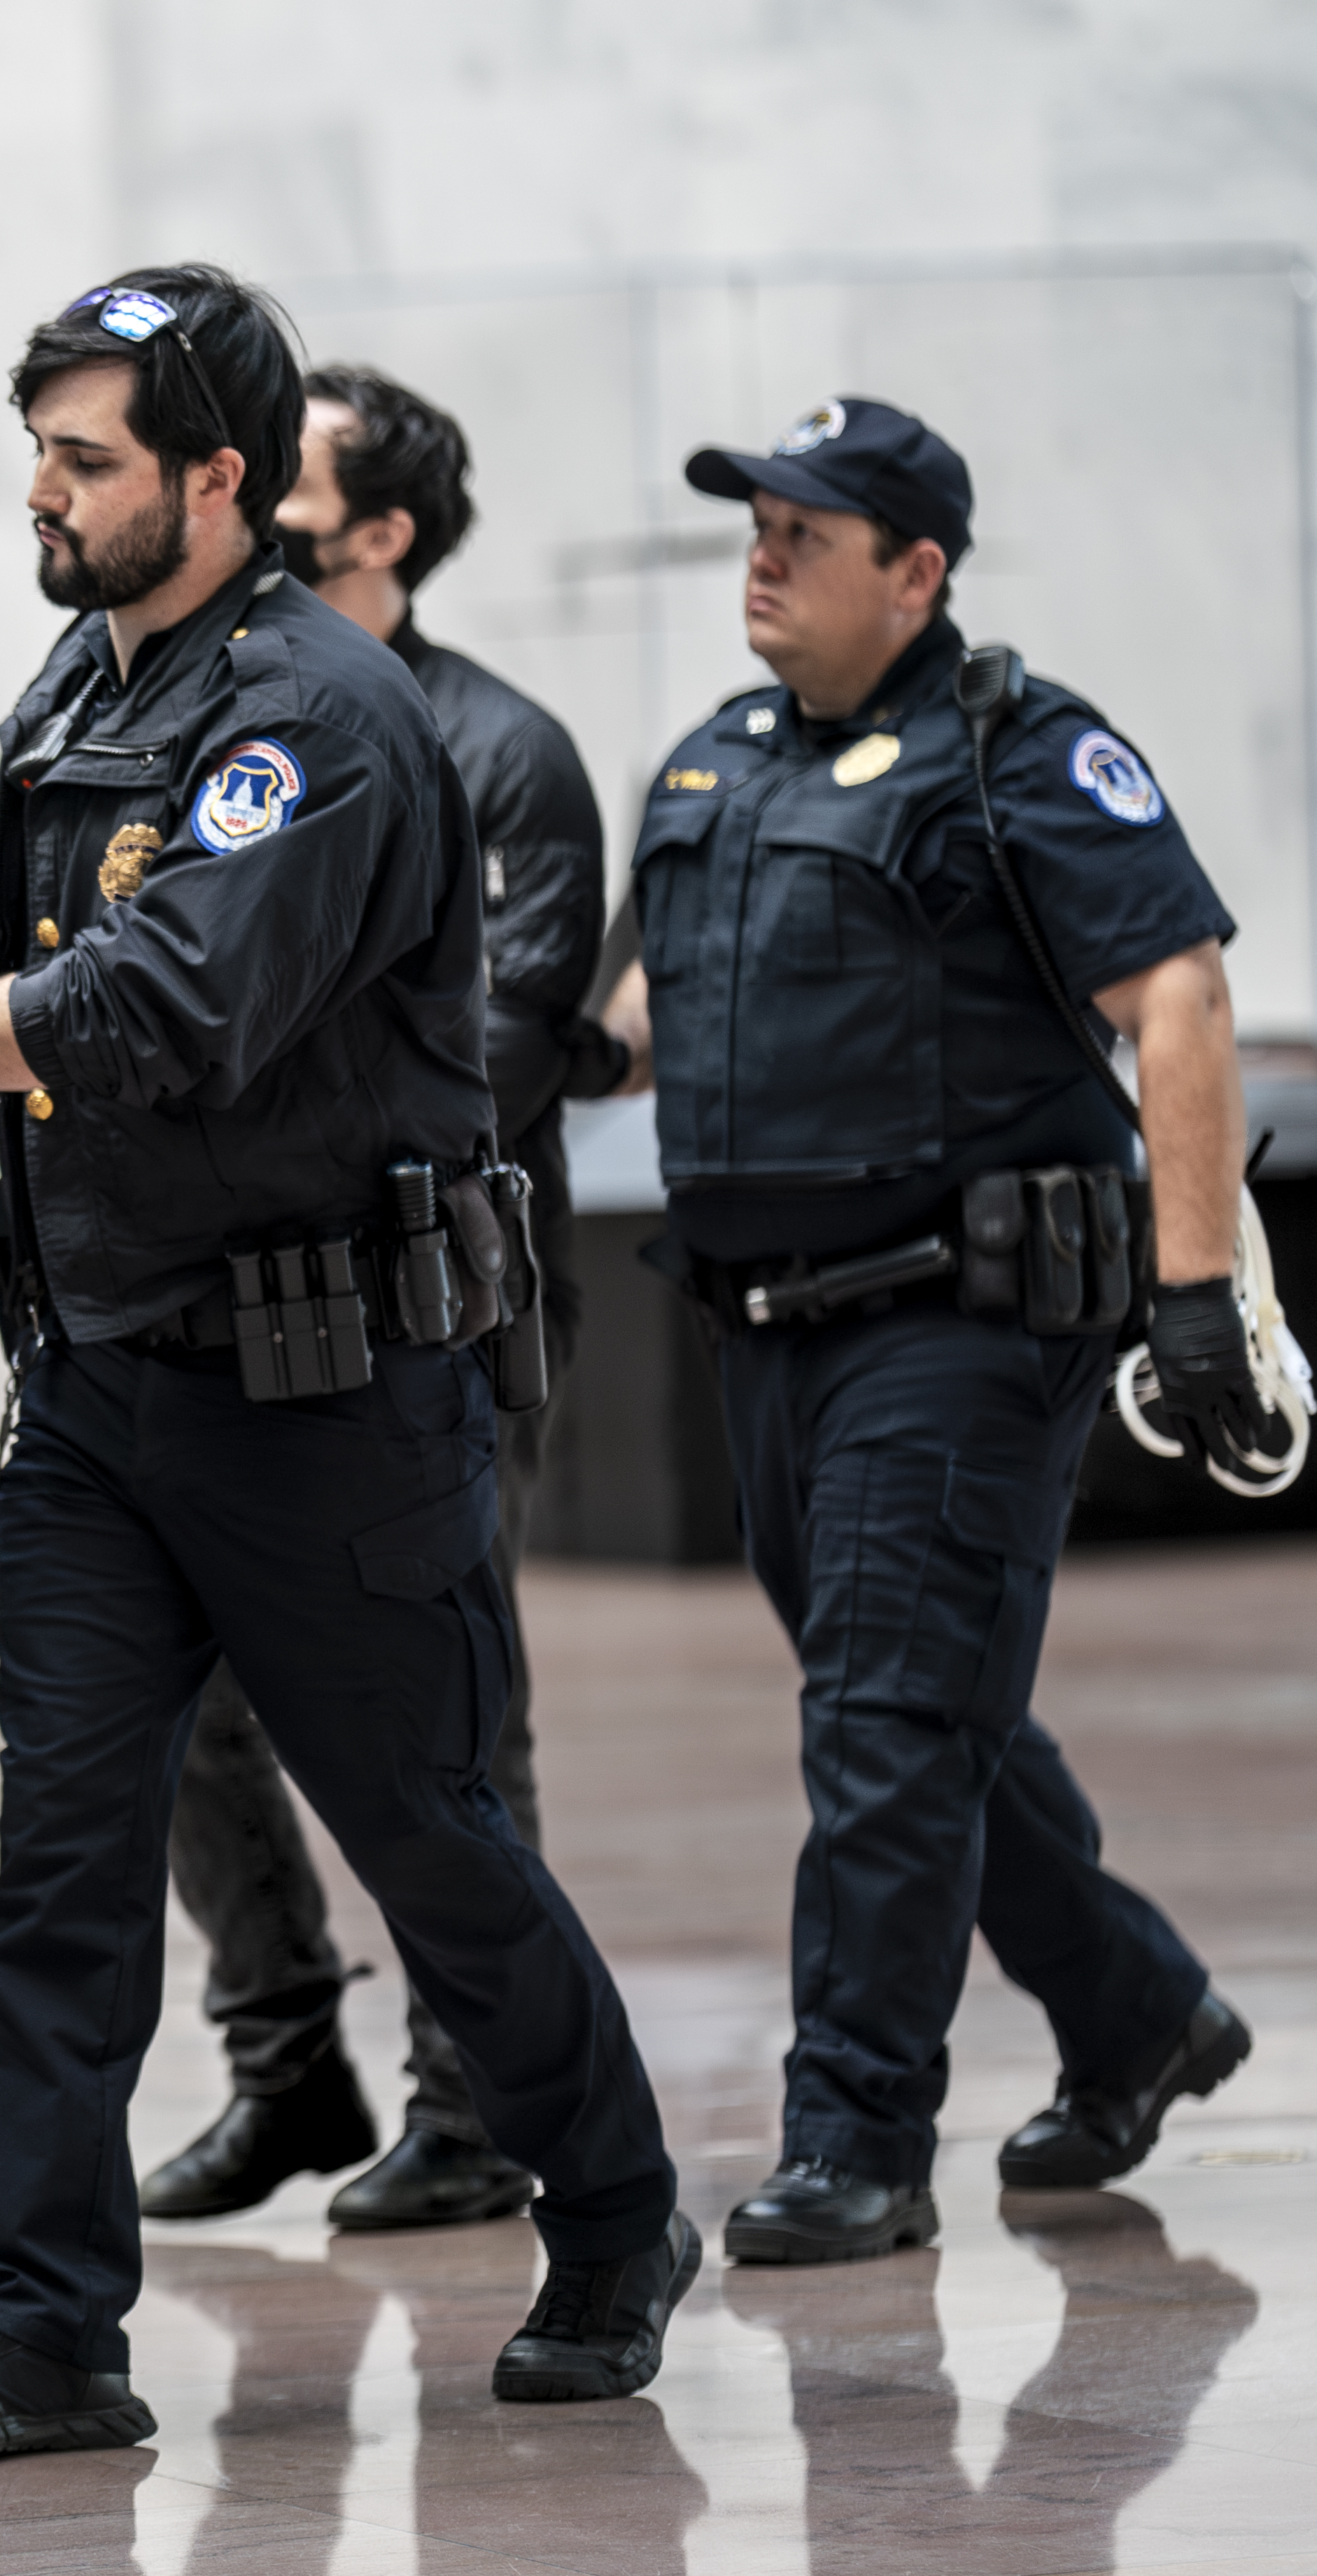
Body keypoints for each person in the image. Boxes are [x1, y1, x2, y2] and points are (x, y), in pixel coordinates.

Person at [0, 263, 692, 2450]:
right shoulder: (84, 674)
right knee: (61, 1873)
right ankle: (46, 2330)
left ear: (220, 478)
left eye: (84, 457)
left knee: (429, 1839)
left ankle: (608, 2206)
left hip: (325, 1402)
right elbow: (16, 931)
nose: (39, 489)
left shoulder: (311, 716)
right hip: (104, 1386)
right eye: (36, 445)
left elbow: (138, 1010)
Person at [595, 396, 1255, 2265]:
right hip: (761, 1333)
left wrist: (1191, 1293)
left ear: (917, 569)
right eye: (752, 525)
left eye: (807, 532)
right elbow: (661, 988)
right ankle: (1134, 2009)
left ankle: (856, 2135)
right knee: (926, 1705)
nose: (762, 557)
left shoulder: (1019, 754)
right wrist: (560, 1045)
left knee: (882, 1719)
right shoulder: (715, 761)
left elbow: (1179, 995)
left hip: (954, 1319)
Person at [138, 363, 621, 2235]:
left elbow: (479, 1063)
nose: (247, 506)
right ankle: (284, 2067)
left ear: (387, 532)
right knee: (186, 1705)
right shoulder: (204, 715)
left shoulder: (500, 751)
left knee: (434, 1721)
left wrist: (197, 1094)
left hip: (431, 1307)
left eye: (297, 487)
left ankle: (477, 2100)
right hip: (213, 1307)